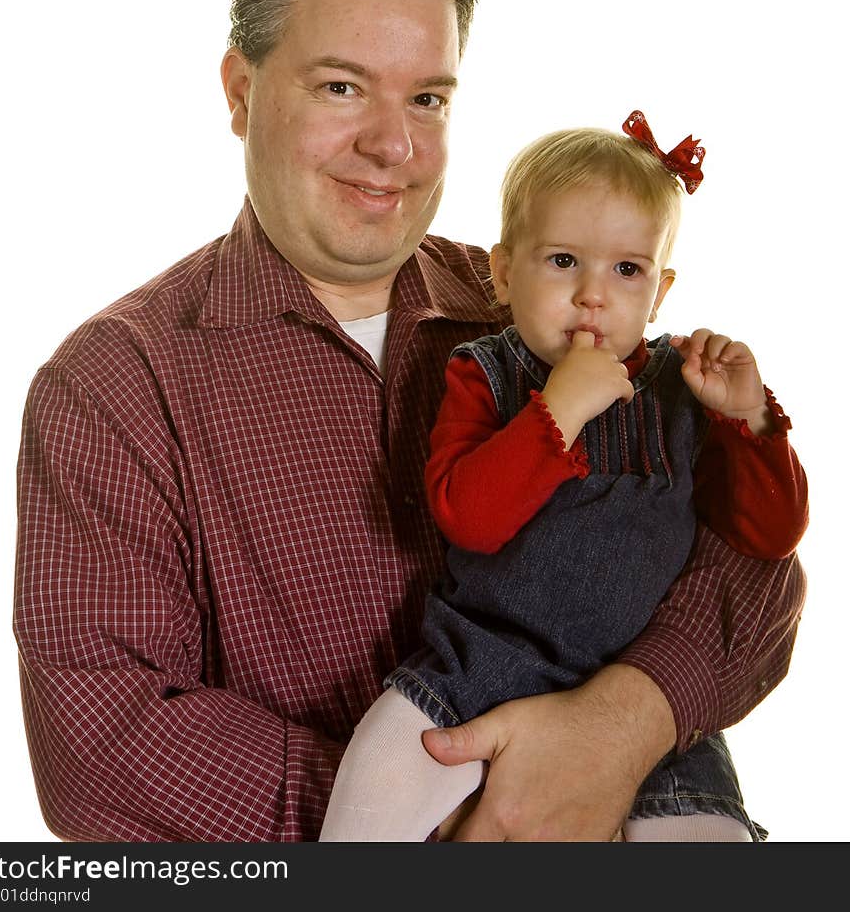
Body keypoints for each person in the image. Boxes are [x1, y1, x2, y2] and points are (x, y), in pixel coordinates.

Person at [15, 0, 806, 843]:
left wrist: (624, 726)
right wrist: (461, 810)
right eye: (343, 87)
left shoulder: (546, 306)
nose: (393, 145)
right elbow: (102, 742)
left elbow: (755, 574)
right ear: (239, 90)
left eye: (427, 98)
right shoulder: (114, 384)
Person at [319, 114, 808, 842]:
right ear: (504, 271)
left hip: (645, 703)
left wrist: (750, 423)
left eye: (626, 269)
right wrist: (557, 411)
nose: (592, 295)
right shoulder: (484, 375)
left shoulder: (682, 389)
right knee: (371, 793)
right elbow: (469, 514)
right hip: (478, 664)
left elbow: (769, 535)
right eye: (561, 262)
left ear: (661, 290)